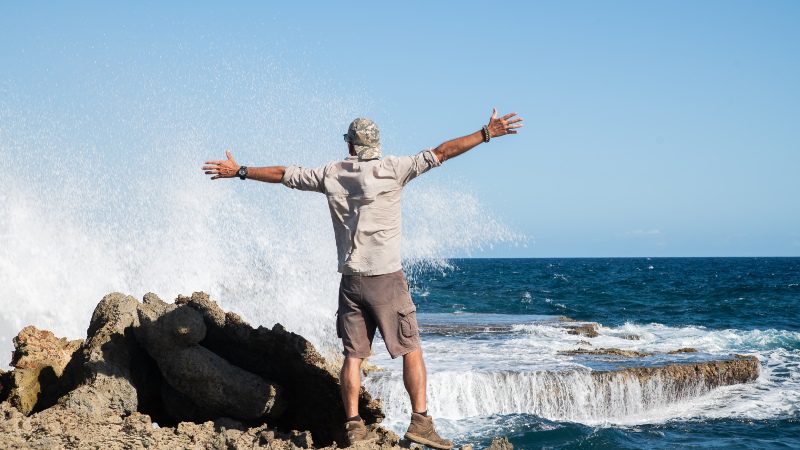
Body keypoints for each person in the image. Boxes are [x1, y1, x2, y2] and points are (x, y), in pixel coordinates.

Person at [202, 109, 522, 447]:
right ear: (376, 145)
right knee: (411, 349)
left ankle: (353, 425)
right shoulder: (394, 169)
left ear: (352, 146)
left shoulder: (331, 174)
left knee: (353, 356)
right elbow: (443, 151)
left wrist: (239, 171)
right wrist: (486, 133)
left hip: (351, 280)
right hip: (386, 280)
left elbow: (283, 173)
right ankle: (421, 422)